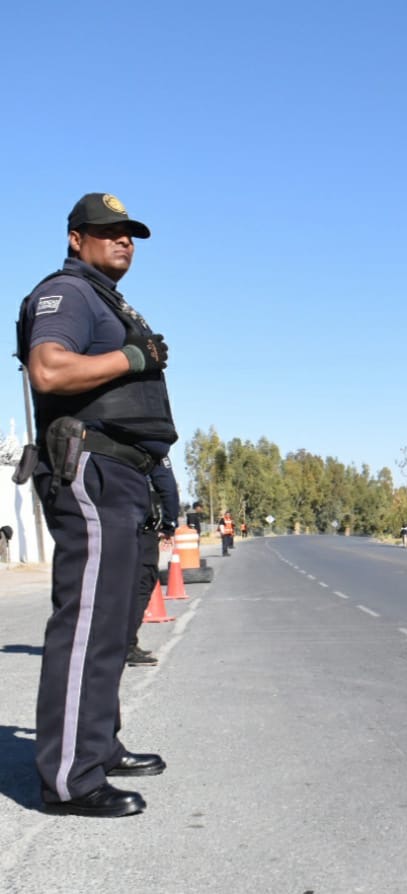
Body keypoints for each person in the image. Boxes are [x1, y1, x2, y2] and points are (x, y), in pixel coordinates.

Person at [17, 192, 175, 817]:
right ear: (76, 238)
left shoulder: (107, 299)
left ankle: (98, 746)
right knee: (88, 621)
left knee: (112, 624)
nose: (123, 240)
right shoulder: (68, 293)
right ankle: (70, 778)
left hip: (125, 474)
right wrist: (132, 356)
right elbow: (49, 371)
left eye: (129, 233)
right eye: (108, 231)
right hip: (91, 468)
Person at [127, 457, 181, 667]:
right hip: (140, 526)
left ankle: (107, 642)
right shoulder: (150, 448)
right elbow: (167, 487)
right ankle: (126, 645)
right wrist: (168, 524)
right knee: (142, 583)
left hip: (105, 523)